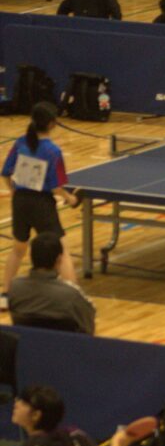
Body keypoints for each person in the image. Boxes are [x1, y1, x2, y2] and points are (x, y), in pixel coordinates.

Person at [1, 103, 79, 312]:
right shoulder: (53, 151)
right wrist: (70, 198)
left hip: (20, 202)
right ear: (52, 124)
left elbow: (5, 173)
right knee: (62, 251)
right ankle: (73, 297)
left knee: (18, 249)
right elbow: (56, 187)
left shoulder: (20, 143)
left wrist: (14, 192)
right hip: (41, 204)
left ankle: (5, 295)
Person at [9, 233, 95, 335]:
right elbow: (88, 328)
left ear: (31, 257)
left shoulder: (14, 288)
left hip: (25, 343)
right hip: (62, 345)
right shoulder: (71, 294)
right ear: (59, 259)